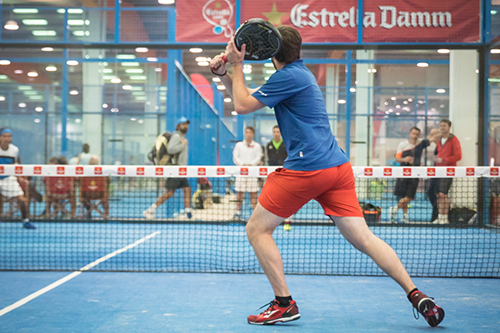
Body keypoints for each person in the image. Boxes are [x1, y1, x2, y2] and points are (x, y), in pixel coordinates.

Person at [210, 25, 444, 327]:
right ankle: (417, 294)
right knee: (364, 238)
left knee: (256, 229)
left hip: (308, 169)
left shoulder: (287, 77)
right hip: (337, 168)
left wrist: (237, 64)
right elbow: (248, 97)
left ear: (272, 51)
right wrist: (225, 74)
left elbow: (241, 105)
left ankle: (284, 303)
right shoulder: (299, 74)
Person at [143, 117, 192, 220]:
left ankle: (188, 214)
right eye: (183, 124)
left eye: (187, 124)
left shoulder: (182, 138)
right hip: (175, 170)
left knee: (187, 190)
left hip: (181, 171)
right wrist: (182, 145)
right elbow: (170, 150)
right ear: (178, 126)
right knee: (169, 193)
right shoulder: (176, 137)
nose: (186, 126)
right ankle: (150, 210)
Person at [389, 127, 440, 223]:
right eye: (413, 133)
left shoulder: (420, 144)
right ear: (410, 134)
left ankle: (394, 209)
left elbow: (433, 138)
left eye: (417, 134)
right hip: (403, 173)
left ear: (419, 135)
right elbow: (397, 159)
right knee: (404, 196)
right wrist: (405, 159)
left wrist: (435, 132)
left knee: (409, 197)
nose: (415, 136)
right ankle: (405, 216)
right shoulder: (402, 144)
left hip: (415, 174)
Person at [428, 119, 462, 224]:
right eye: (441, 126)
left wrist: (444, 160)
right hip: (438, 171)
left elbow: (458, 156)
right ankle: (440, 217)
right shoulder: (439, 140)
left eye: (444, 126)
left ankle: (445, 217)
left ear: (449, 127)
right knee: (438, 195)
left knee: (443, 194)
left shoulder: (454, 139)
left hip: (448, 171)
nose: (442, 128)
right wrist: (436, 159)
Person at [0, 127, 34, 229]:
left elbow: (15, 165)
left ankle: (26, 221)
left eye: (9, 136)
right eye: (4, 136)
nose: (7, 139)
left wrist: (20, 178)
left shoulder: (14, 150)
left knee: (22, 199)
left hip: (8, 179)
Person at [232, 126, 263, 220]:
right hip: (241, 173)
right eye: (247, 132)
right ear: (245, 133)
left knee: (253, 194)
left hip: (252, 173)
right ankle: (237, 213)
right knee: (239, 193)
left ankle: (255, 215)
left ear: (253, 134)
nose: (248, 134)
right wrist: (243, 164)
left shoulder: (257, 146)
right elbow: (235, 157)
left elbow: (258, 158)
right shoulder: (239, 145)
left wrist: (250, 165)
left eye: (250, 132)